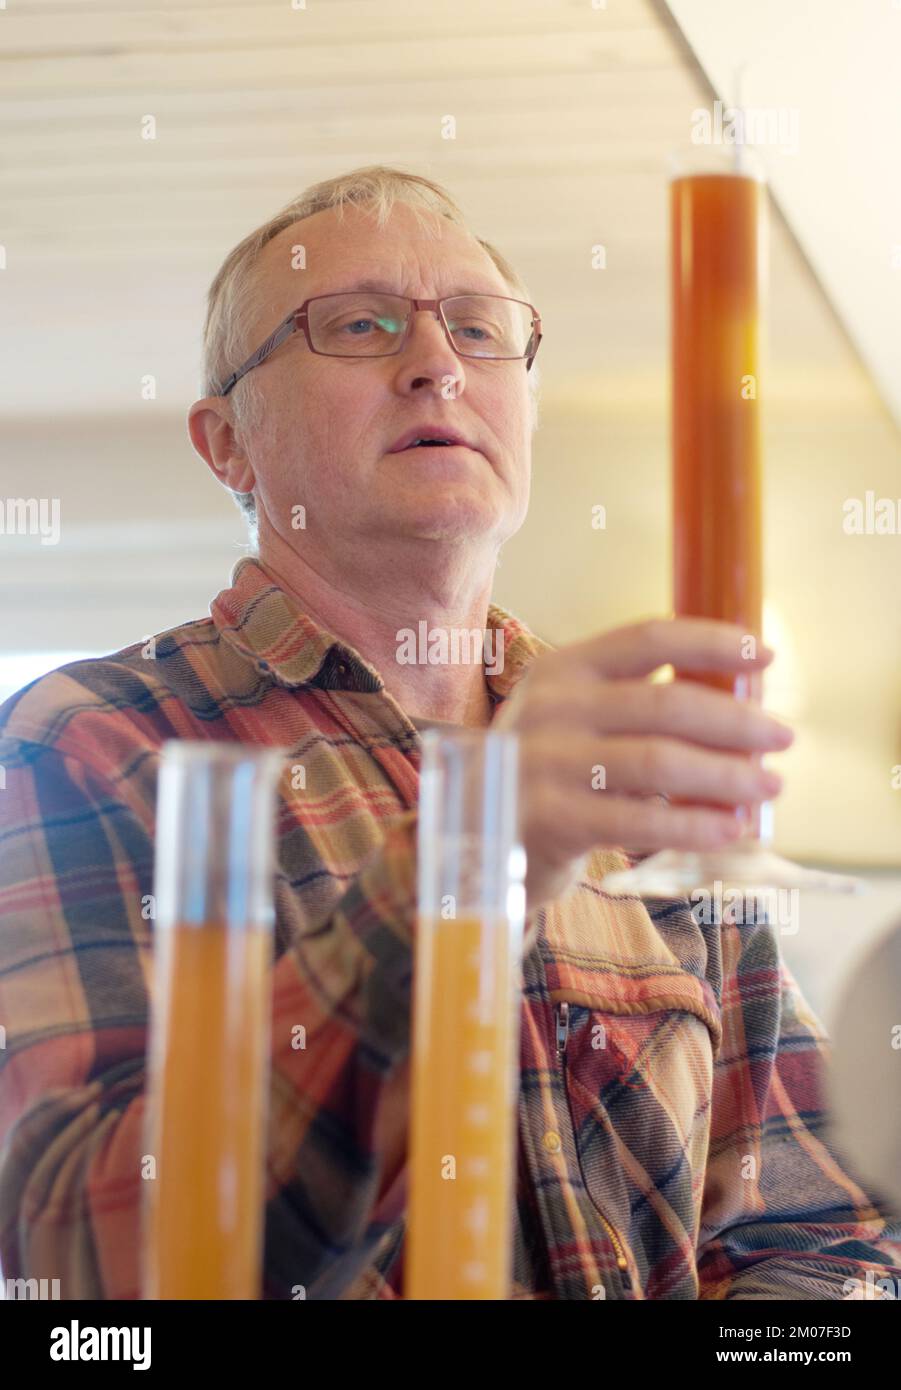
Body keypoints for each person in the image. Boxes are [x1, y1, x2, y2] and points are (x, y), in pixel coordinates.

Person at [0, 165, 898, 1301]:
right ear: (227, 442)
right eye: (358, 324)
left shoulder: (633, 774)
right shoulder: (96, 741)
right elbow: (79, 1254)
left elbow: (827, 1234)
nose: (436, 362)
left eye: (476, 327)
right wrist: (469, 862)